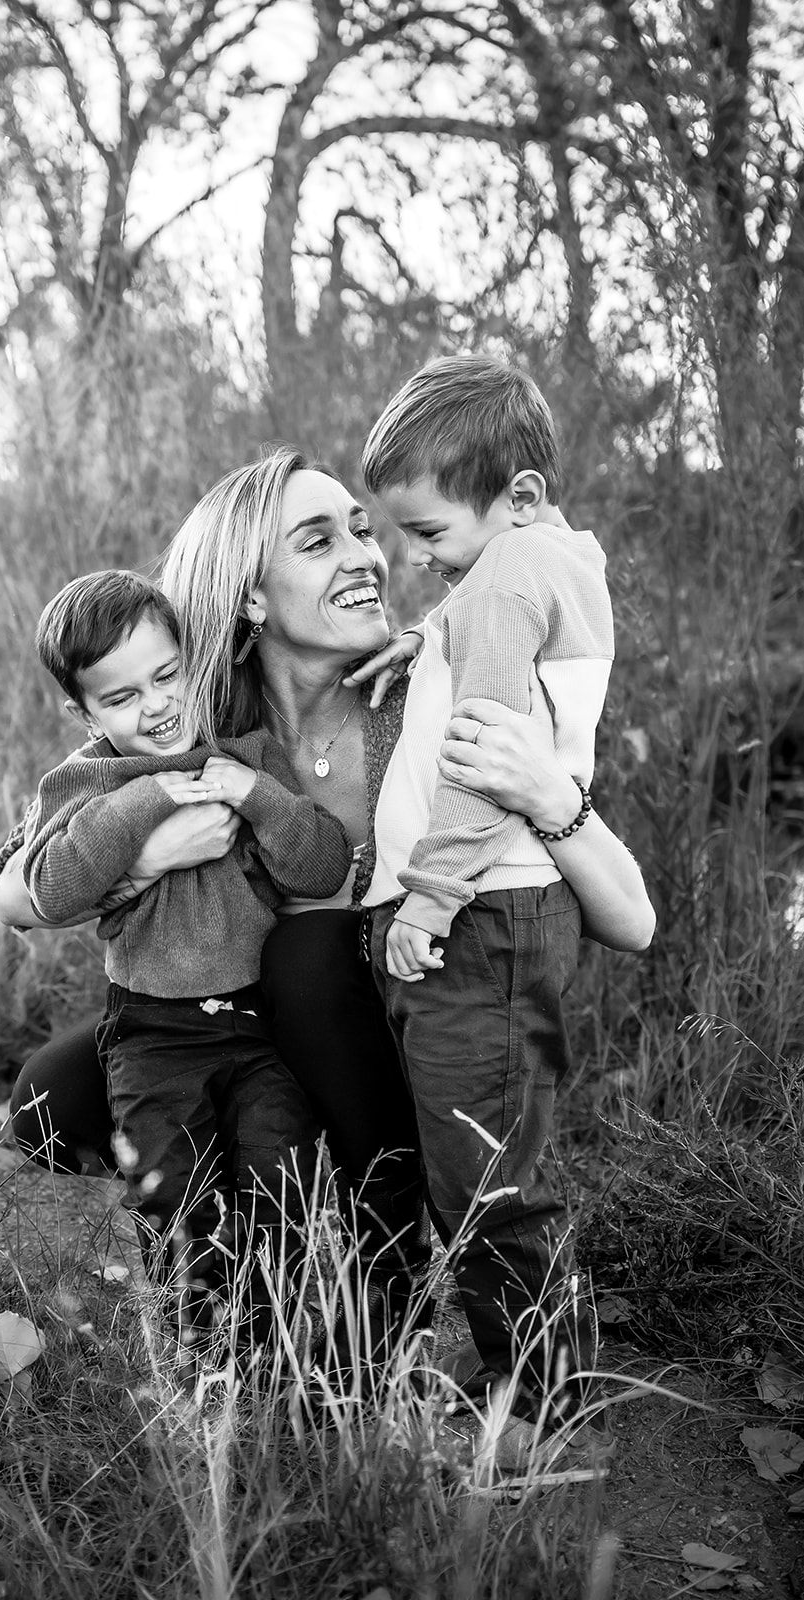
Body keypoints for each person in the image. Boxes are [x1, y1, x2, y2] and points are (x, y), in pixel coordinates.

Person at [0, 446, 654, 1367]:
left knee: (306, 956)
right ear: (251, 598)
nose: (365, 555)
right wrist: (143, 857)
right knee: (49, 1100)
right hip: (232, 1019)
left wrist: (549, 797)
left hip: (393, 1014)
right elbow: (14, 890)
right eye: (317, 540)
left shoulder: (427, 690)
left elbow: (631, 923)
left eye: (360, 529)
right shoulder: (191, 715)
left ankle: (386, 1243)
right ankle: (240, 1253)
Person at [359, 354, 620, 1439]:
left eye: (428, 532)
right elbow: (498, 649)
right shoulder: (522, 569)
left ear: (518, 495)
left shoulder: (510, 575)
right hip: (493, 910)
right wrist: (431, 637)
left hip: (481, 912)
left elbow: (483, 754)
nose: (414, 558)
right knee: (477, 1159)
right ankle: (517, 1367)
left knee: (485, 1172)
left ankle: (548, 1399)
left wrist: (426, 897)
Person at [19, 567, 351, 1352]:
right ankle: (202, 1353)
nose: (157, 704)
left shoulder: (245, 756)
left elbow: (321, 867)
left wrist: (258, 795)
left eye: (167, 675)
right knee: (173, 1191)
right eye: (121, 696)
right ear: (83, 713)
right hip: (152, 1036)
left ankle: (274, 1347)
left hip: (258, 1028)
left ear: (191, 661)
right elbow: (50, 889)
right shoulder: (84, 783)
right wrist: (152, 792)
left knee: (279, 1175)